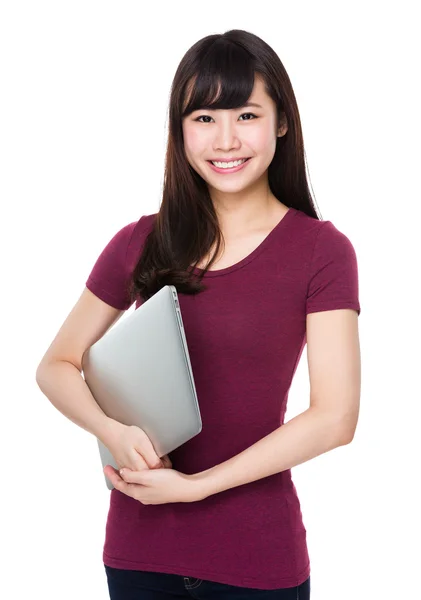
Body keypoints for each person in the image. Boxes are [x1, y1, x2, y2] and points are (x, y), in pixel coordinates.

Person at [36, 29, 361, 600]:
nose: (226, 139)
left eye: (246, 114)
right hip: (139, 554)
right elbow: (56, 364)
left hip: (257, 561)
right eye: (204, 118)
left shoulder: (321, 251)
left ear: (281, 123)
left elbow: (335, 418)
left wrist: (196, 488)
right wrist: (112, 430)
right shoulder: (142, 240)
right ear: (179, 130)